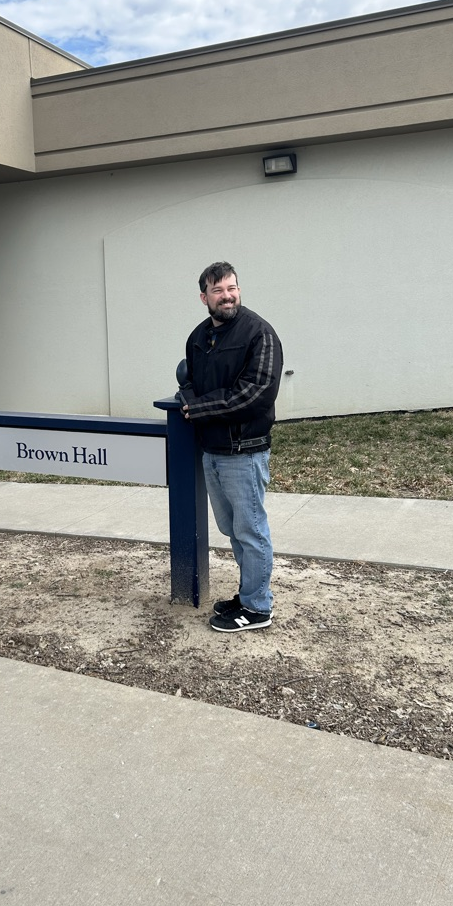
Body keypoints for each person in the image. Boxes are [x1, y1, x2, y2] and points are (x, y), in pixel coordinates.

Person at [178, 262, 282, 632]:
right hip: (214, 452)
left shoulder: (259, 334)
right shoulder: (198, 338)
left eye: (232, 287)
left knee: (251, 530)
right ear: (204, 297)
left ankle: (257, 608)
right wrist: (191, 400)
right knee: (234, 529)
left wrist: (200, 408)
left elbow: (256, 393)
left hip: (246, 450)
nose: (227, 295)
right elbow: (189, 384)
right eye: (218, 290)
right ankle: (249, 593)